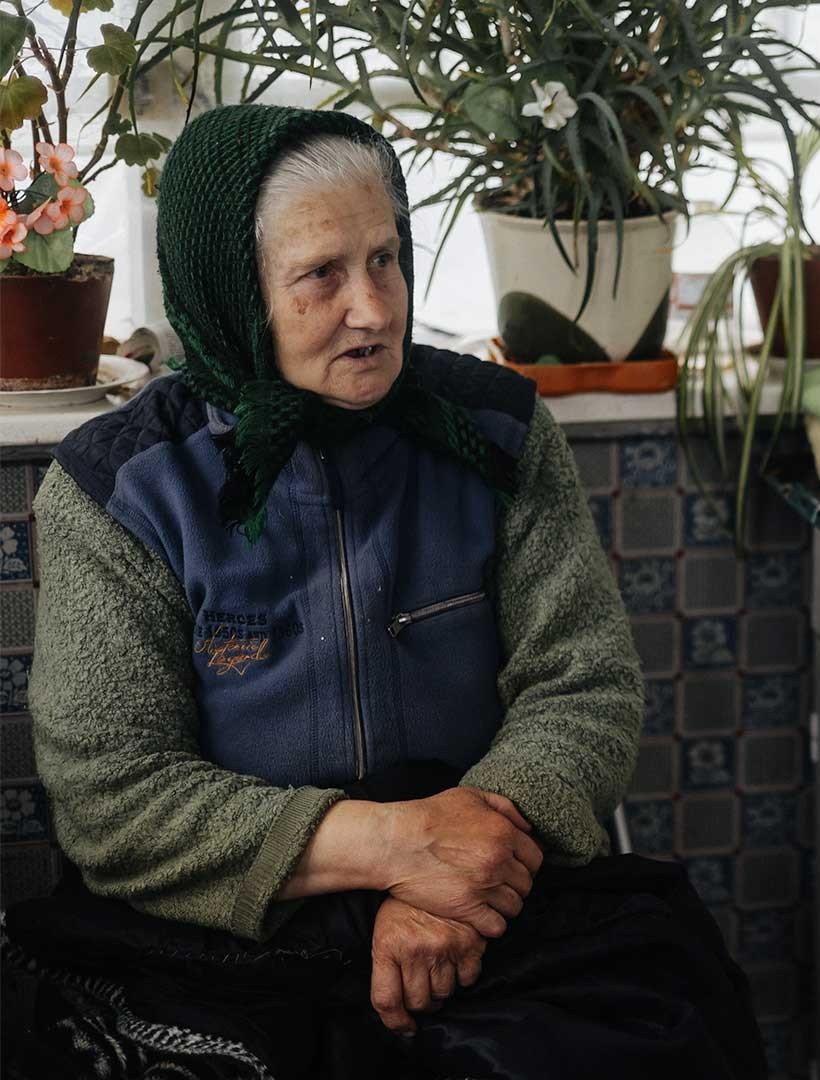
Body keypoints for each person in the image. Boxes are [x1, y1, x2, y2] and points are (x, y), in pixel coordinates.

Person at [3, 105, 763, 1079]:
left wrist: (456, 883)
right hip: (225, 935)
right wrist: (400, 848)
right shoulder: (123, 490)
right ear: (236, 289)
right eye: (322, 274)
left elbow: (583, 688)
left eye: (386, 259)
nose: (372, 307)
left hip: (498, 901)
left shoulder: (497, 433)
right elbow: (116, 798)